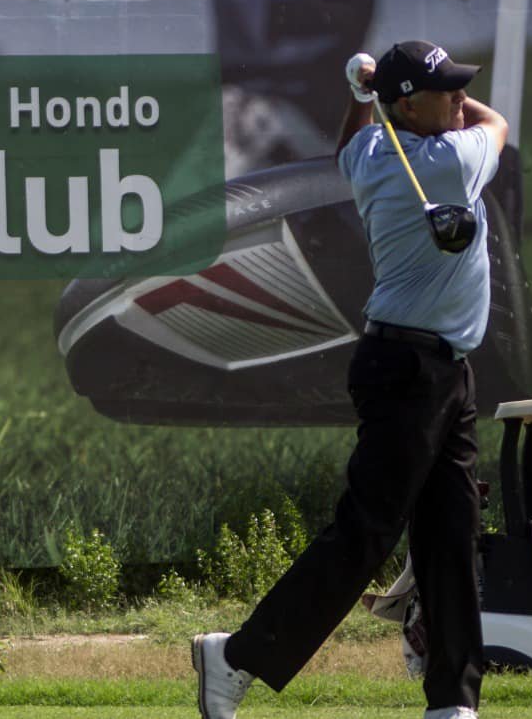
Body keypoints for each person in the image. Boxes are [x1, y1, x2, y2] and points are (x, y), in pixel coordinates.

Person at [193, 40, 508, 719]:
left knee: (450, 533)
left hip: (442, 369)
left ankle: (452, 699)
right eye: (445, 89)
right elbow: (498, 125)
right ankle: (237, 656)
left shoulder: (372, 157)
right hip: (408, 372)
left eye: (459, 86)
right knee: (366, 530)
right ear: (405, 103)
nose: (458, 97)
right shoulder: (449, 160)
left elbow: (350, 145)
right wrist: (378, 93)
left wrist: (358, 96)